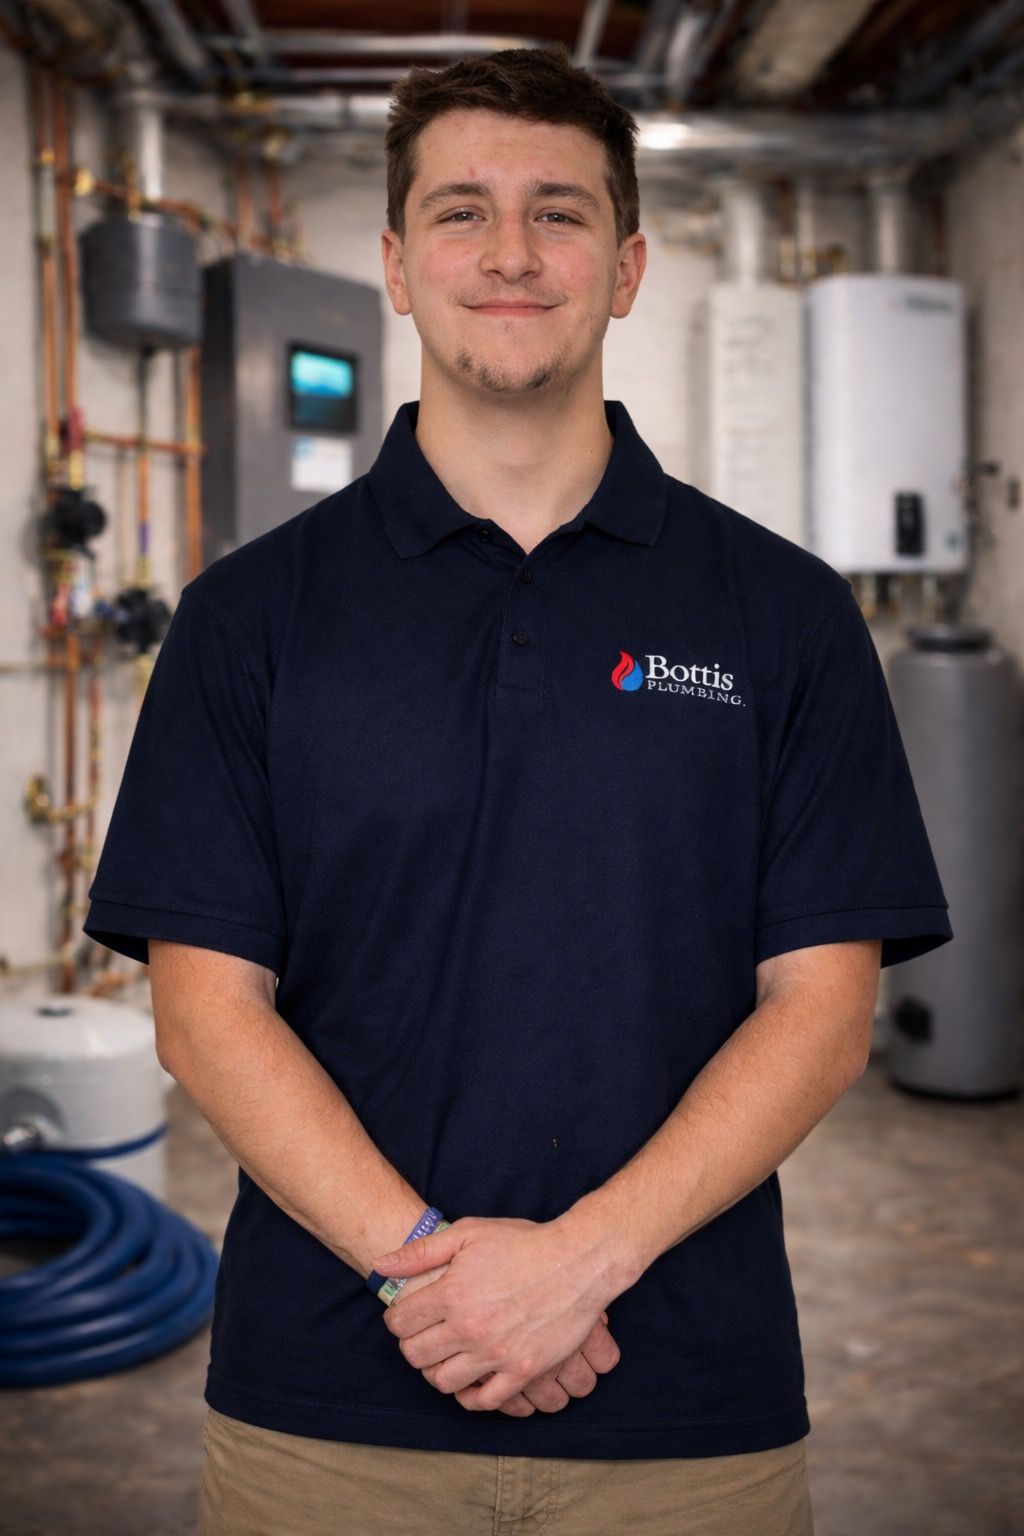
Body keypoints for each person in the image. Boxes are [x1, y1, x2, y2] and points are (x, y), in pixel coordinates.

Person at [83, 41, 953, 1536]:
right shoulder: (251, 617)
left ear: (625, 268)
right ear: (395, 265)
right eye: (460, 211)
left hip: (689, 1416)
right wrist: (438, 1278)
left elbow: (821, 1012)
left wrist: (577, 1264)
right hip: (325, 1414)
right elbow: (205, 1010)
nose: (509, 253)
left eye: (558, 213)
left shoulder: (785, 613)